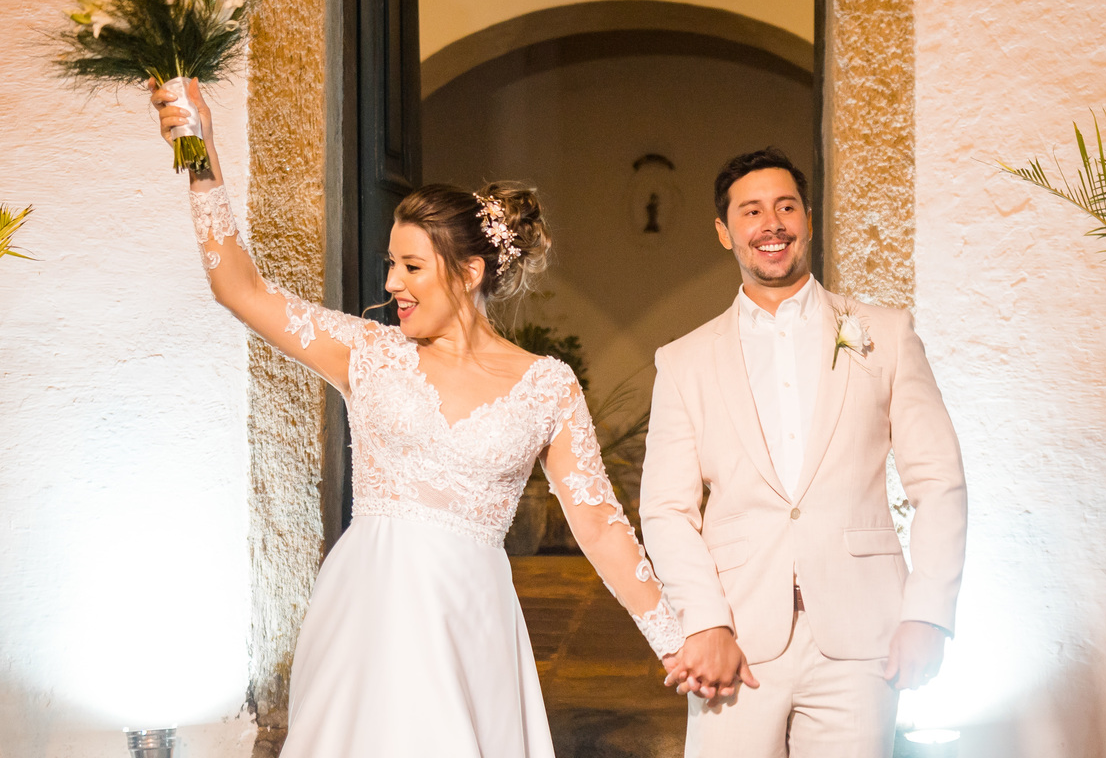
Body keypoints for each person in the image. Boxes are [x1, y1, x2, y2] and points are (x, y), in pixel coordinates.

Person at [150, 79, 684, 757]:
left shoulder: (546, 386)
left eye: (410, 266)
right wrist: (197, 151)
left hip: (471, 621)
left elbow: (601, 525)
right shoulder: (367, 352)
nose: (390, 284)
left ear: (468, 271)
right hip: (368, 609)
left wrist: (676, 638)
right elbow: (239, 287)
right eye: (390, 266)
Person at [638, 147, 967, 758]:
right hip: (734, 637)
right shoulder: (683, 360)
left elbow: (939, 481)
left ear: (808, 219)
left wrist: (928, 614)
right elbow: (665, 508)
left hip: (863, 633)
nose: (772, 224)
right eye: (752, 210)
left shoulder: (886, 332)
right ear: (724, 230)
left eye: (786, 206)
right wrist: (705, 620)